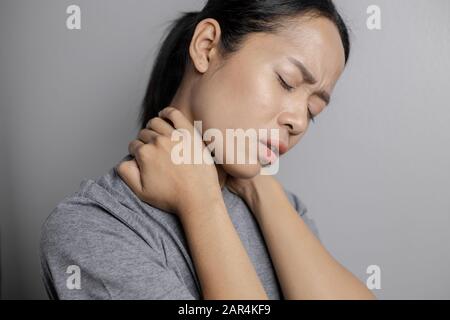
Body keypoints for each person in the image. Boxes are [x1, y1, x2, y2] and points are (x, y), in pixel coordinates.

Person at [40, 0, 376, 300]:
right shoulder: (94, 228)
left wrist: (259, 187)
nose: (299, 122)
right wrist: (201, 204)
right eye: (286, 81)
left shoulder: (281, 208)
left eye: (313, 111)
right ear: (206, 46)